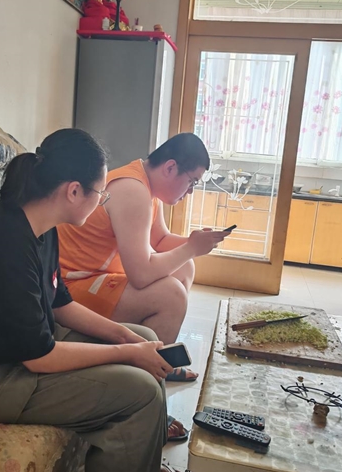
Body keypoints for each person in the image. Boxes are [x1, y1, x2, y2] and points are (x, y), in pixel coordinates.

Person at [0, 129, 185, 472]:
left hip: (6, 352)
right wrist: (126, 353)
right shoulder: (4, 245)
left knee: (143, 337)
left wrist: (125, 337)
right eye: (101, 194)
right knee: (140, 392)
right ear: (73, 191)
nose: (102, 201)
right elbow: (40, 357)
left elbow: (60, 304)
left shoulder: (41, 227)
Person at [58, 133, 229, 382]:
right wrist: (191, 248)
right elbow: (140, 274)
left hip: (94, 276)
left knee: (184, 268)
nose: (191, 191)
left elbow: (160, 240)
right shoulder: (132, 190)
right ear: (170, 168)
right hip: (69, 288)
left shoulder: (143, 183)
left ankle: (159, 358)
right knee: (171, 296)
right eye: (192, 181)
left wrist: (198, 243)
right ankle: (143, 380)